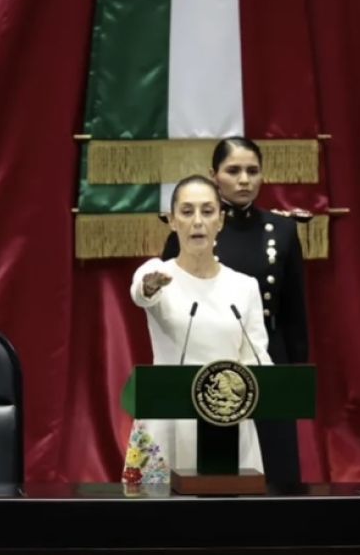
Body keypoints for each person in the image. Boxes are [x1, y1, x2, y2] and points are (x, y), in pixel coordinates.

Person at [161, 137, 310, 484]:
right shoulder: (196, 229)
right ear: (215, 176)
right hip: (208, 359)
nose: (244, 179)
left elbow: (293, 309)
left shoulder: (282, 231)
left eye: (252, 171)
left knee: (275, 465)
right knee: (212, 464)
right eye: (234, 170)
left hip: (266, 355)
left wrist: (293, 368)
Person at [122, 175, 273, 486]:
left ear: (221, 220)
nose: (198, 221)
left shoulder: (244, 287)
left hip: (228, 422)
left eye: (207, 211)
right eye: (187, 212)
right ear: (172, 220)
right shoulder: (157, 273)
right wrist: (150, 287)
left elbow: (257, 358)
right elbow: (141, 293)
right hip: (167, 420)